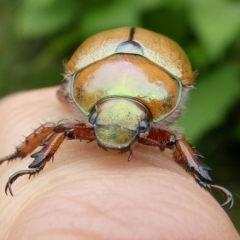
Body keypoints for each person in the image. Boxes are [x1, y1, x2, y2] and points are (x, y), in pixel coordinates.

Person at [0, 87, 239, 240]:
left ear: (148, 124)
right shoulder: (81, 100)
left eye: (140, 128)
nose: (115, 137)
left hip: (137, 76)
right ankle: (25, 160)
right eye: (97, 122)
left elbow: (177, 140)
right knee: (60, 127)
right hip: (99, 76)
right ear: (91, 116)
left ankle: (202, 178)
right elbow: (58, 129)